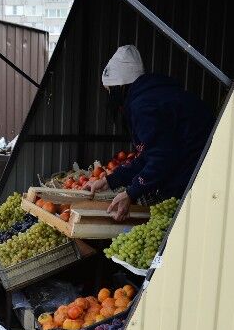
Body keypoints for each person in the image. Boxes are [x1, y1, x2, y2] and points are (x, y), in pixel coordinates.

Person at [87, 45, 215, 221]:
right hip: (199, 171)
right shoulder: (155, 94)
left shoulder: (144, 106)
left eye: (110, 90)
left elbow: (161, 157)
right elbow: (149, 155)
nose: (109, 96)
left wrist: (131, 193)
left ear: (120, 87)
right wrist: (111, 180)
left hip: (195, 179)